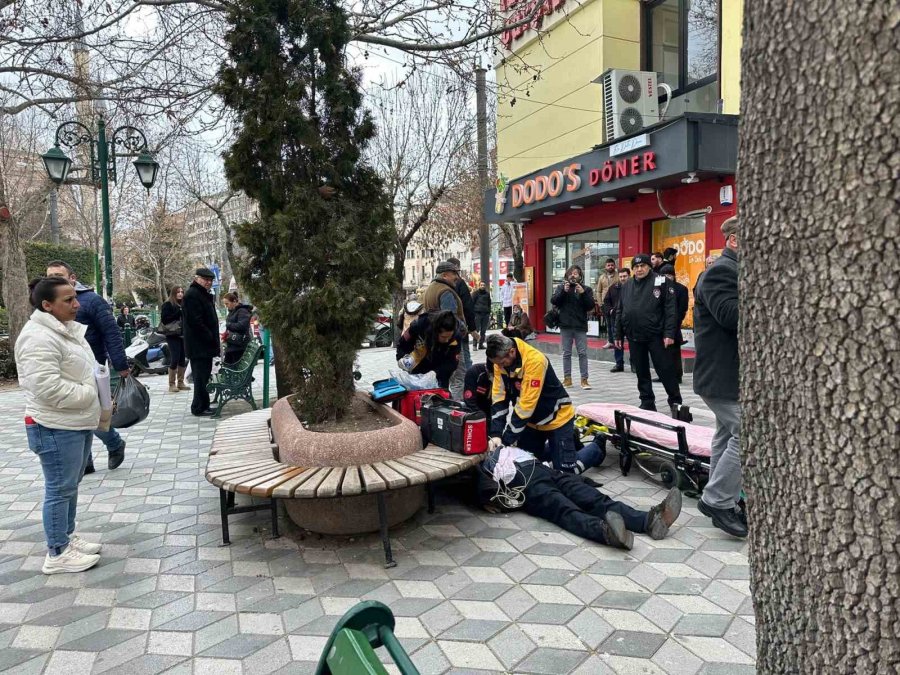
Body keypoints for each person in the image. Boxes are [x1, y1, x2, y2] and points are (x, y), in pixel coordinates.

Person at [15, 277, 102, 574]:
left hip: (74, 421)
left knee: (70, 486)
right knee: (59, 488)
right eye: (68, 300)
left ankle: (65, 537)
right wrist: (91, 394)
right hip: (54, 425)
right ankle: (57, 552)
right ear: (47, 305)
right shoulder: (38, 337)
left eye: (74, 298)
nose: (76, 304)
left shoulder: (63, 331)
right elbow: (46, 387)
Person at [477, 448, 683, 550]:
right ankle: (606, 532)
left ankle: (649, 521)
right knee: (565, 509)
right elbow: (475, 485)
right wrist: (489, 500)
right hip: (525, 483)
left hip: (549, 471)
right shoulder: (481, 462)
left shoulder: (510, 444)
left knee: (594, 499)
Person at [46, 261, 128, 473]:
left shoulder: (92, 301)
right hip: (65, 369)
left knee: (93, 414)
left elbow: (111, 332)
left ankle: (114, 443)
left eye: (58, 274)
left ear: (72, 278)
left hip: (93, 368)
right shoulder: (49, 304)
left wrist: (120, 364)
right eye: (50, 276)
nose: (53, 278)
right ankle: (86, 461)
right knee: (77, 415)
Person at [694, 217, 745, 538]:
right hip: (722, 375)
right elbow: (730, 315)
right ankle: (717, 500)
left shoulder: (732, 270)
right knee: (750, 434)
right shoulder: (720, 272)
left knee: (726, 436)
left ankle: (720, 495)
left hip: (727, 375)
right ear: (735, 240)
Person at [486, 334, 602, 474]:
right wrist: (496, 434)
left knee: (565, 475)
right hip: (532, 422)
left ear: (512, 352)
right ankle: (568, 444)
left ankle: (597, 447)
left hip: (557, 419)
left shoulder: (535, 361)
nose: (499, 367)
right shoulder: (499, 362)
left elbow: (526, 407)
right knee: (524, 465)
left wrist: (506, 441)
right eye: (497, 364)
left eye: (502, 363)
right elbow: (499, 399)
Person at [614, 254, 683, 415]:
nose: (639, 269)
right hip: (634, 335)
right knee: (641, 370)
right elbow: (620, 310)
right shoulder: (627, 285)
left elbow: (670, 309)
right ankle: (647, 401)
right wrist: (618, 334)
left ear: (649, 267)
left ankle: (676, 403)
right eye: (636, 267)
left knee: (665, 370)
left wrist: (669, 333)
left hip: (657, 336)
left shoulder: (662, 282)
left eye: (643, 266)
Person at [422, 261, 467, 398]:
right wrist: (463, 328)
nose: (457, 277)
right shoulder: (446, 291)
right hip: (451, 342)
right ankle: (457, 409)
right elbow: (451, 319)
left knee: (442, 378)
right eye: (454, 273)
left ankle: (441, 407)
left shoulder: (430, 289)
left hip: (437, 341)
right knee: (458, 377)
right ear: (444, 275)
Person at [183, 268, 221, 417]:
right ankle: (199, 407)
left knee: (203, 376)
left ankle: (201, 404)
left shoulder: (202, 294)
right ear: (197, 279)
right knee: (200, 377)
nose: (208, 283)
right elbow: (195, 321)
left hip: (203, 345)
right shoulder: (193, 295)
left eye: (210, 280)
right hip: (199, 345)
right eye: (205, 280)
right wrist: (209, 336)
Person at [550, 264, 595, 389]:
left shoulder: (586, 289)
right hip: (565, 325)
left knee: (582, 353)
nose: (573, 275)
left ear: (580, 276)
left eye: (576, 273)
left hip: (580, 325)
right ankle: (567, 379)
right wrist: (564, 291)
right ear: (567, 275)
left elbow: (590, 306)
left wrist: (583, 293)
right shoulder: (561, 287)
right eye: (571, 273)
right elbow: (554, 301)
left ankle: (584, 380)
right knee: (566, 353)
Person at [396, 310, 461, 389]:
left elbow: (452, 362)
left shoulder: (456, 336)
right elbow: (403, 344)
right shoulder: (419, 325)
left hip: (440, 369)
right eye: (444, 337)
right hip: (418, 363)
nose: (447, 340)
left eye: (449, 336)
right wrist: (401, 359)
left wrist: (435, 373)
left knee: (439, 395)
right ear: (436, 331)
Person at [658, 263, 689, 383]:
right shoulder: (659, 289)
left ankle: (677, 376)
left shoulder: (681, 289)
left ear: (673, 276)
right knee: (662, 352)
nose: (666, 278)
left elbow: (682, 309)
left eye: (669, 275)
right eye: (663, 275)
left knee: (674, 352)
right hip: (660, 325)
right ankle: (664, 375)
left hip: (674, 325)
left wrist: (675, 323)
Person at [447, 258, 478, 360]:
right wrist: (472, 328)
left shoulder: (438, 285)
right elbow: (467, 306)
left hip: (444, 329)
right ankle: (467, 375)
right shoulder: (460, 283)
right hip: (459, 326)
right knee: (464, 355)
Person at [160, 286, 190, 393]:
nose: (180, 294)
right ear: (174, 293)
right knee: (175, 357)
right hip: (172, 335)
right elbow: (164, 319)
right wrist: (178, 313)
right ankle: (171, 384)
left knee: (182, 358)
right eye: (178, 292)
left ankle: (180, 382)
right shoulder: (168, 304)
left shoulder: (184, 304)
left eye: (182, 292)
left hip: (183, 334)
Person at [603, 268, 630, 373]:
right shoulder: (613, 288)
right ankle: (619, 364)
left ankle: (635, 364)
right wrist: (610, 310)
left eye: (625, 276)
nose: (623, 278)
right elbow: (606, 302)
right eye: (621, 276)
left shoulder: (634, 287)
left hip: (631, 320)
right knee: (617, 342)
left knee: (633, 343)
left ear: (629, 276)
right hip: (616, 319)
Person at [222, 292, 253, 365]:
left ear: (234, 302)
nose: (226, 306)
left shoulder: (242, 311)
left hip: (239, 346)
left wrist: (228, 325)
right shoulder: (233, 311)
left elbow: (242, 326)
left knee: (230, 366)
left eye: (227, 303)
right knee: (227, 365)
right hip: (233, 345)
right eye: (225, 304)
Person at [594, 258, 618, 348]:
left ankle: (617, 341)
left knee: (615, 323)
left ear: (614, 266)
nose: (610, 267)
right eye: (608, 265)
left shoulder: (618, 276)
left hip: (615, 304)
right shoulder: (602, 277)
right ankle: (610, 341)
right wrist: (600, 303)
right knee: (608, 324)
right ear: (605, 267)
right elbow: (598, 291)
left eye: (612, 265)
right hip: (605, 304)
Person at [471, 282, 492, 350]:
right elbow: (472, 303)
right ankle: (474, 345)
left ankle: (481, 344)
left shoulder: (487, 294)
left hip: (485, 314)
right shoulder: (475, 293)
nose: (482, 286)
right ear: (479, 286)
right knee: (476, 330)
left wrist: (488, 311)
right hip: (477, 314)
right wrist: (473, 313)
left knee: (483, 330)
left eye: (484, 285)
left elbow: (489, 303)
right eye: (481, 285)